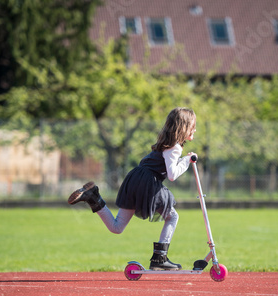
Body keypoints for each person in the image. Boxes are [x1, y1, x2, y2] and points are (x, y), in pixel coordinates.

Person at [68, 107, 197, 270]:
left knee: (117, 227)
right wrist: (187, 161)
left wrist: (184, 159)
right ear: (183, 127)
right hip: (147, 183)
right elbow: (172, 175)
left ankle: (94, 198)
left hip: (135, 179)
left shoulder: (164, 145)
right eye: (192, 125)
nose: (195, 129)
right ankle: (159, 258)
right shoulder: (174, 147)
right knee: (172, 217)